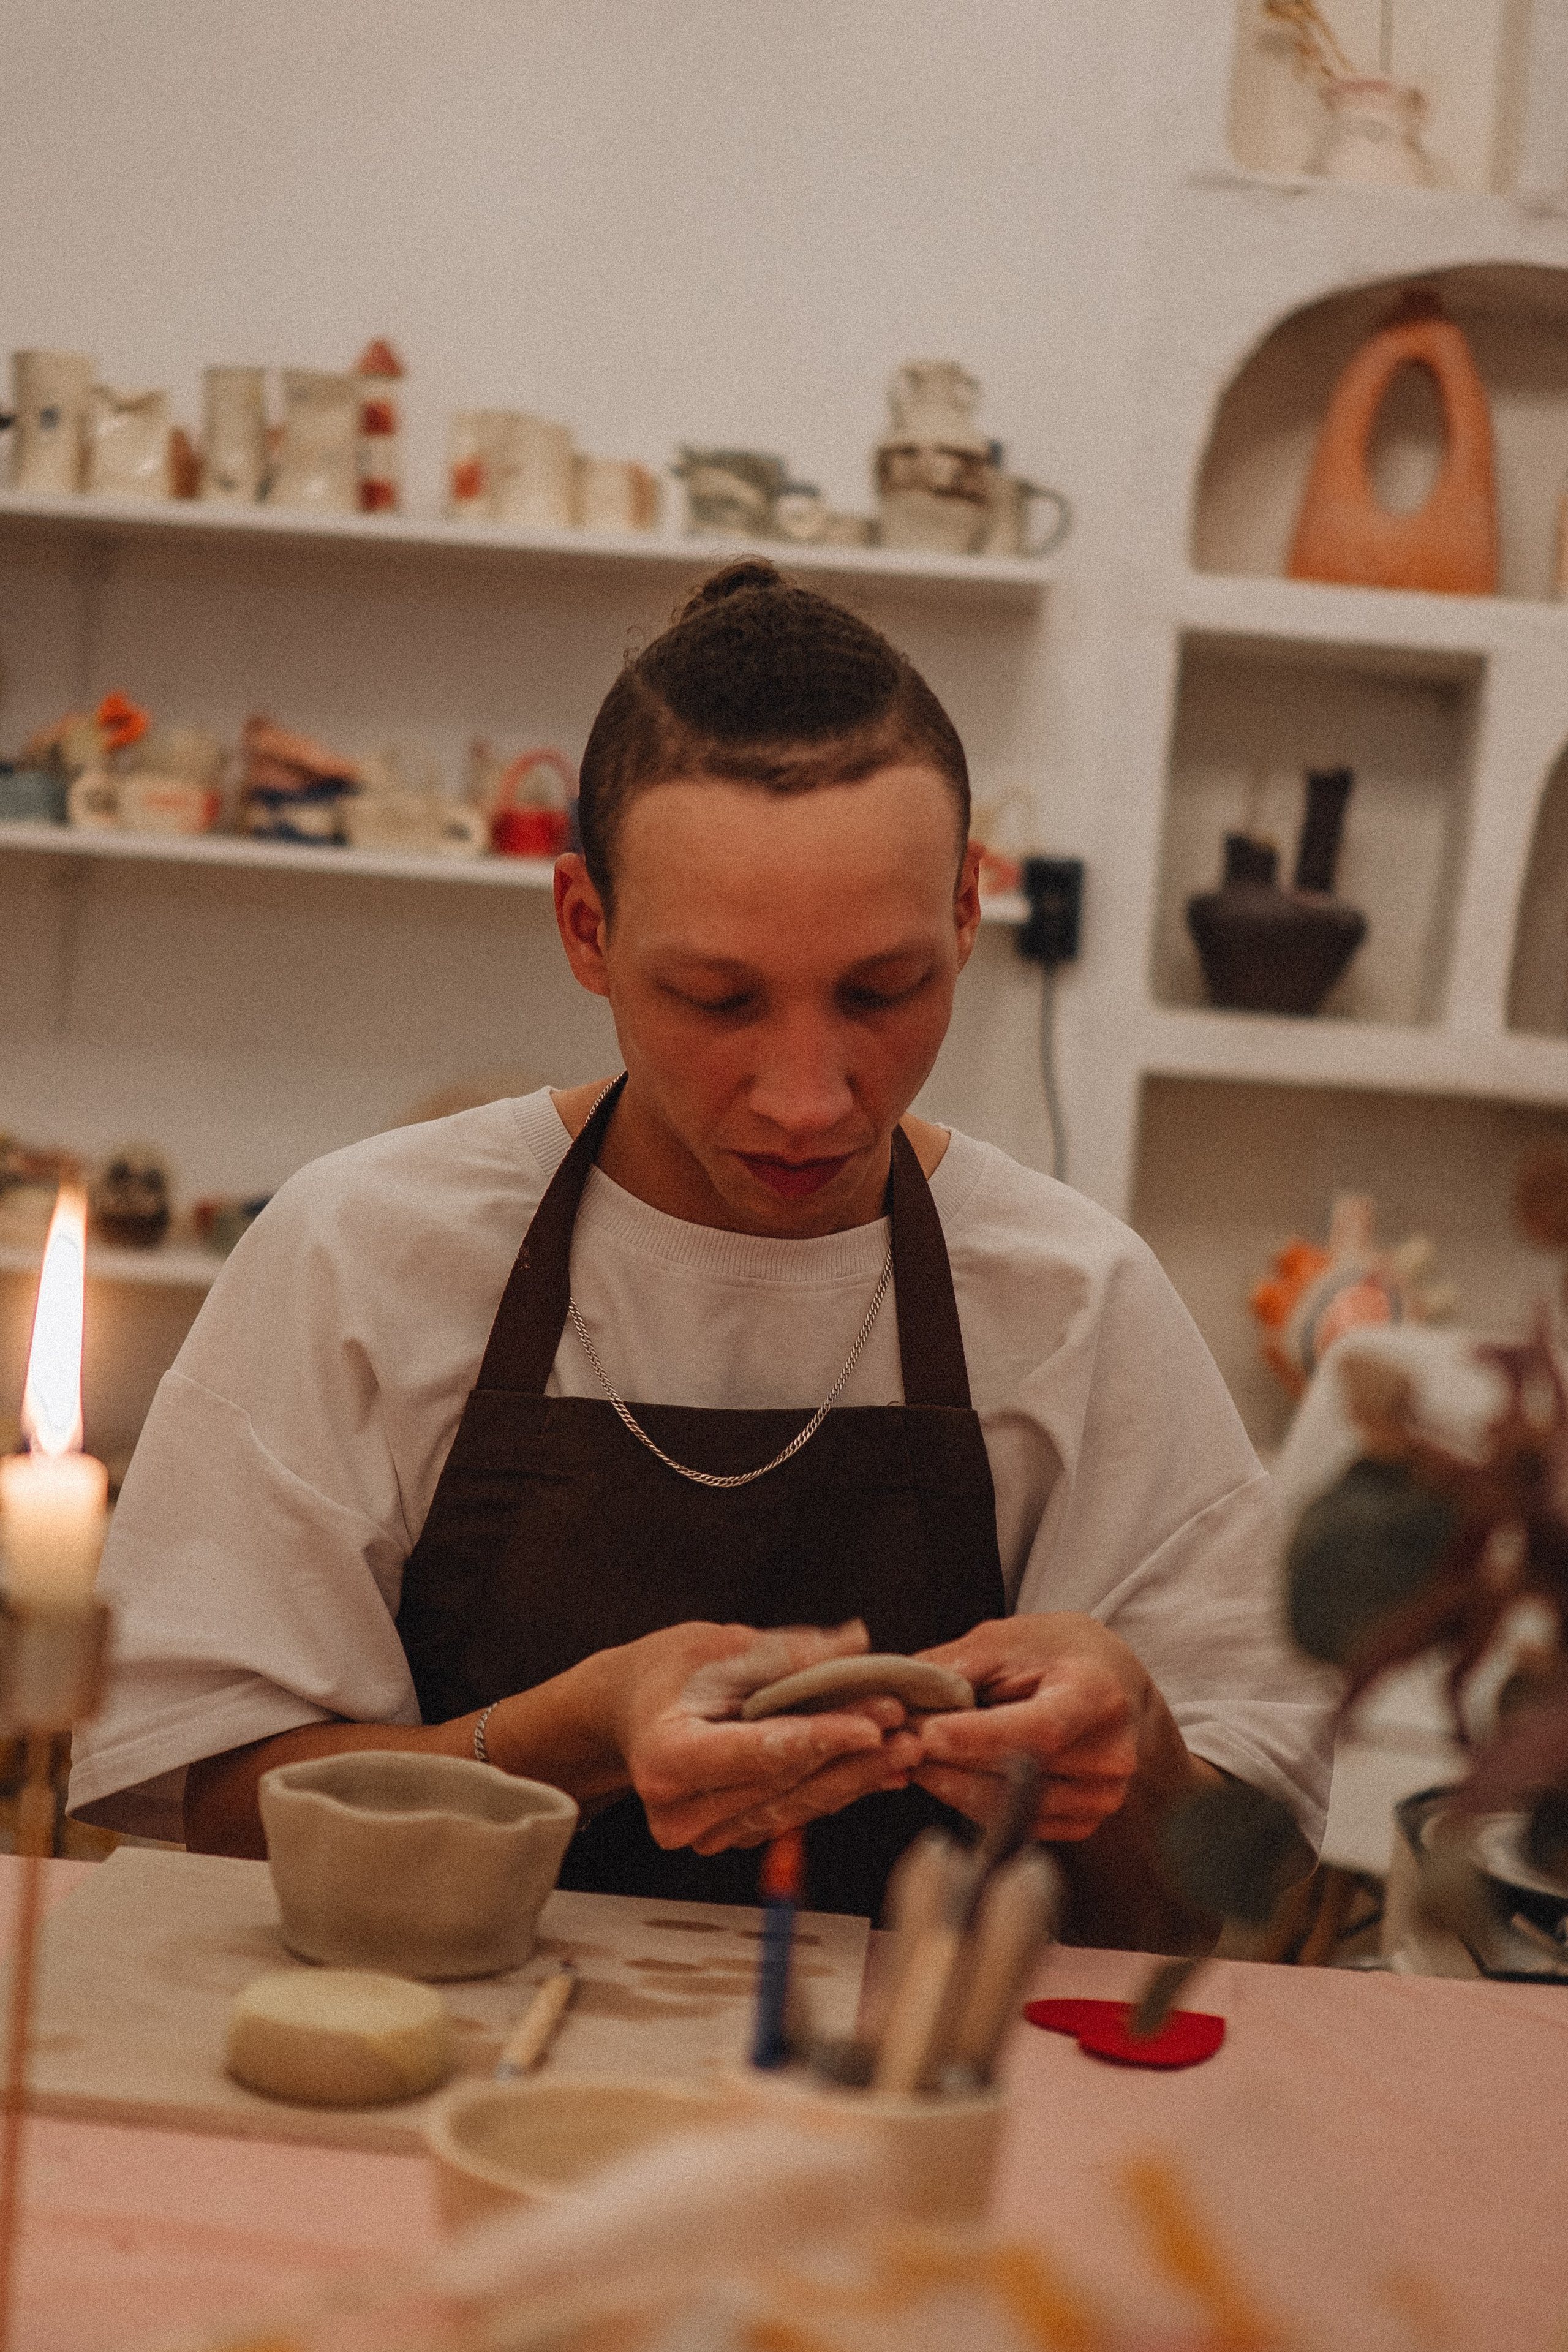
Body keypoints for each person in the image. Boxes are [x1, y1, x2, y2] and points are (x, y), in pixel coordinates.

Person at [69, 562, 1333, 1948]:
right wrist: (570, 1736)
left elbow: (1218, 1900)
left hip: (921, 2065)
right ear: (586, 928)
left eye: (882, 990)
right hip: (436, 2040)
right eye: (717, 999)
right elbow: (211, 1809)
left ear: (967, 913)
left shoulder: (1076, 1301)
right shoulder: (364, 1255)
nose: (807, 1098)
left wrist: (1132, 1747)